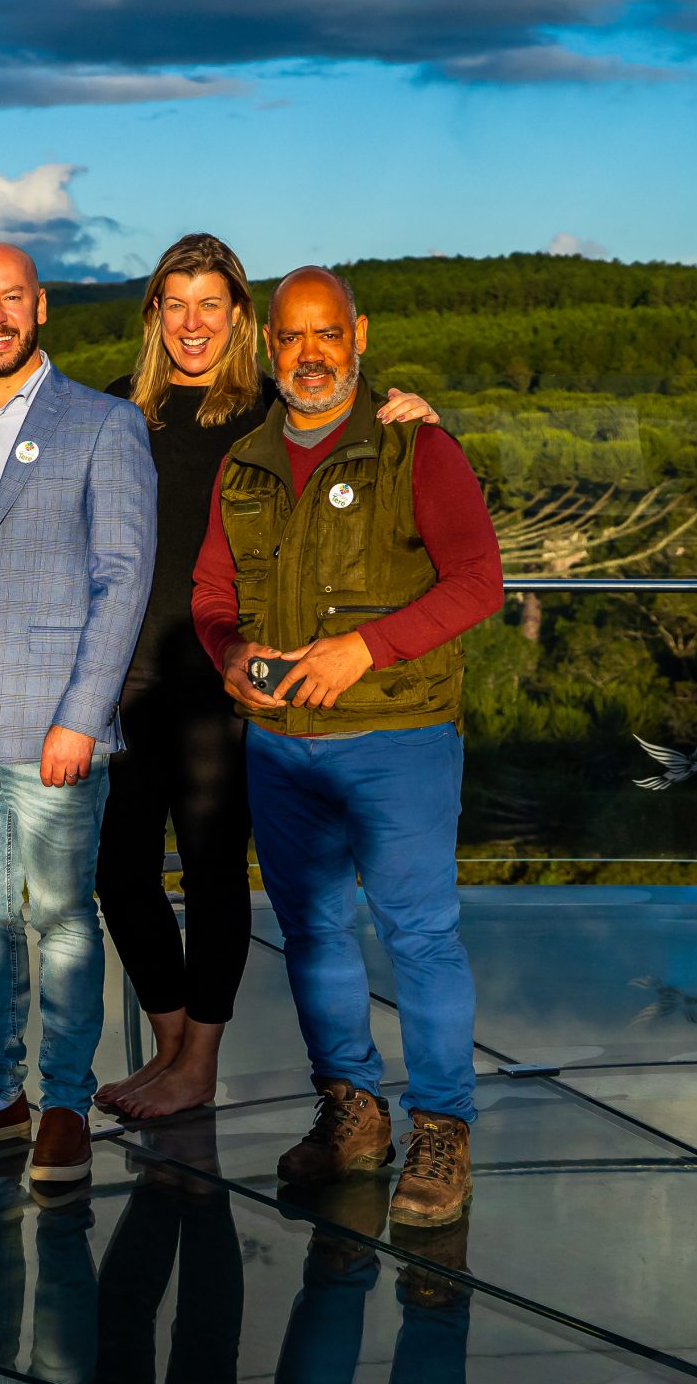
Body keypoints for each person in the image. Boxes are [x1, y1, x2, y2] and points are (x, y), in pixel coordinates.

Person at [97, 235, 439, 1121]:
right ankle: (171, 1041)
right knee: (120, 874)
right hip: (129, 682)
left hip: (231, 680)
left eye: (212, 304)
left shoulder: (272, 408)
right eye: (175, 304)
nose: (193, 324)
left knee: (212, 873)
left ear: (242, 317)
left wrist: (415, 412)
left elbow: (361, 423)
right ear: (154, 316)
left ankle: (198, 1062)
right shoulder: (113, 413)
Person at [190, 265, 502, 1228]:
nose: (312, 353)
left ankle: (441, 1130)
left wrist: (364, 647)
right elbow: (210, 596)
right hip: (283, 747)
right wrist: (232, 654)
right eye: (293, 337)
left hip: (397, 738)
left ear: (358, 336)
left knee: (419, 934)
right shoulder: (243, 461)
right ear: (269, 346)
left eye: (329, 333)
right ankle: (353, 1113)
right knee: (316, 934)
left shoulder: (416, 446)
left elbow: (478, 581)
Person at [0, 244, 154, 1192]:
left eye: (12, 298)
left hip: (52, 721)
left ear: (40, 306)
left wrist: (82, 716)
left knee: (59, 916)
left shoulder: (102, 422)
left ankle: (63, 1101)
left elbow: (122, 578)